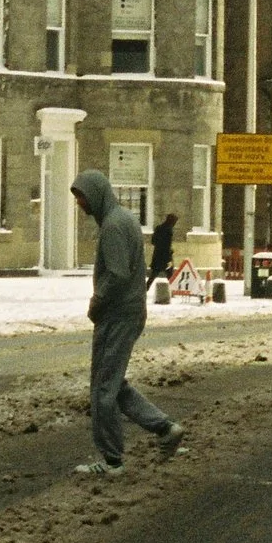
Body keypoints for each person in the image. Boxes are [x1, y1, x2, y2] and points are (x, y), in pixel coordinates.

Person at [71, 171, 184, 475]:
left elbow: (117, 274)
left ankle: (112, 460)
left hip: (117, 315)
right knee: (114, 385)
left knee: (102, 390)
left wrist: (97, 303)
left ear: (96, 194)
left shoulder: (113, 227)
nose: (80, 202)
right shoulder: (124, 219)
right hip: (128, 312)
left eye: (81, 196)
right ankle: (164, 428)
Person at [148, 212, 180, 283]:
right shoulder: (169, 230)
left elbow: (153, 241)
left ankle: (145, 290)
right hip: (166, 258)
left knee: (153, 275)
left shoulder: (158, 228)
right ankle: (173, 291)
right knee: (170, 276)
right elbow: (167, 245)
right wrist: (170, 252)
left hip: (157, 256)